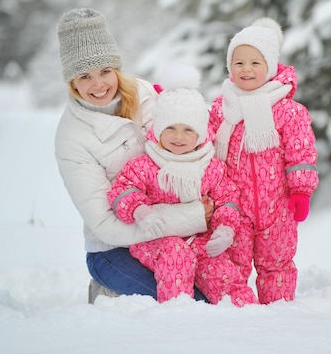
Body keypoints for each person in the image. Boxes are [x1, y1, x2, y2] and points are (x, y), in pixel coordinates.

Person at [54, 8, 211, 304]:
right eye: (85, 76)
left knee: (220, 291)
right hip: (114, 249)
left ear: (116, 68)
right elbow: (104, 224)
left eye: (104, 71)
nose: (98, 84)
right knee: (192, 303)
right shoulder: (72, 138)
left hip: (174, 236)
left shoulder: (146, 94)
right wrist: (192, 216)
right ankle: (107, 287)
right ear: (72, 82)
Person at [107, 64, 258, 307]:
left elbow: (227, 199)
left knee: (222, 272)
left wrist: (225, 229)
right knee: (176, 255)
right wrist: (140, 210)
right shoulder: (146, 165)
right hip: (156, 242)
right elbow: (123, 190)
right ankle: (177, 316)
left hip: (200, 242)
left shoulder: (210, 167)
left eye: (188, 130)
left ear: (200, 133)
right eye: (170, 129)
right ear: (158, 129)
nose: (178, 137)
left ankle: (248, 319)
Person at [209, 18, 319, 304]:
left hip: (278, 207)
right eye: (239, 63)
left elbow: (301, 152)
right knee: (233, 266)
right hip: (235, 208)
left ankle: (278, 318)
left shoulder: (288, 111)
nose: (246, 70)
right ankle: (239, 319)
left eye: (255, 63)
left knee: (277, 266)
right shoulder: (221, 108)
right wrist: (176, 107)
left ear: (269, 66)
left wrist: (301, 191)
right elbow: (201, 138)